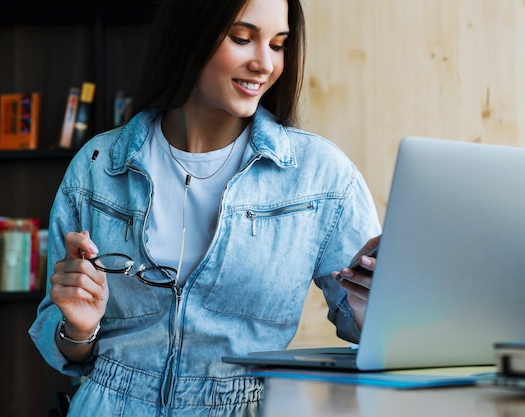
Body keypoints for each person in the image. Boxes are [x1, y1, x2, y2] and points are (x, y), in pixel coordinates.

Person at [29, 0, 382, 415]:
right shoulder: (97, 166)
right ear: (190, 34)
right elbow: (60, 343)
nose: (264, 63)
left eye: (278, 44)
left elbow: (374, 336)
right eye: (242, 38)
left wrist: (372, 310)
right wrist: (80, 327)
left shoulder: (323, 177)